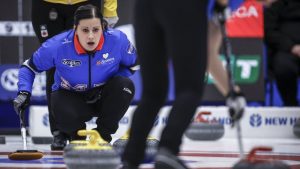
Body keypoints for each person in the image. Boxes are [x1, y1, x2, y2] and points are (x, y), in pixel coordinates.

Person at [14, 4, 138, 150]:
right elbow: (28, 67)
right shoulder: (57, 45)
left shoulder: (117, 40)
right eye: (85, 30)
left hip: (103, 97)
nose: (91, 36)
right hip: (72, 99)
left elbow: (134, 65)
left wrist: (110, 81)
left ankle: (102, 136)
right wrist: (24, 92)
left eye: (96, 30)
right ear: (75, 29)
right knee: (57, 100)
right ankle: (76, 137)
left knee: (125, 86)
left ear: (103, 28)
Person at [120, 0, 209, 168]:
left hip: (145, 7)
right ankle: (168, 149)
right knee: (190, 88)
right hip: (184, 7)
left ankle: (131, 157)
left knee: (152, 94)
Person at [31, 0, 118, 150]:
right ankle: (60, 131)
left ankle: (79, 130)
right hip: (46, 5)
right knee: (53, 63)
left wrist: (110, 9)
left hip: (85, 3)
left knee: (84, 60)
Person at [264, 0, 300, 106]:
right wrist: (292, 47)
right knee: (282, 65)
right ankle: (290, 104)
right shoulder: (276, 3)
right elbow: (269, 30)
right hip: (286, 51)